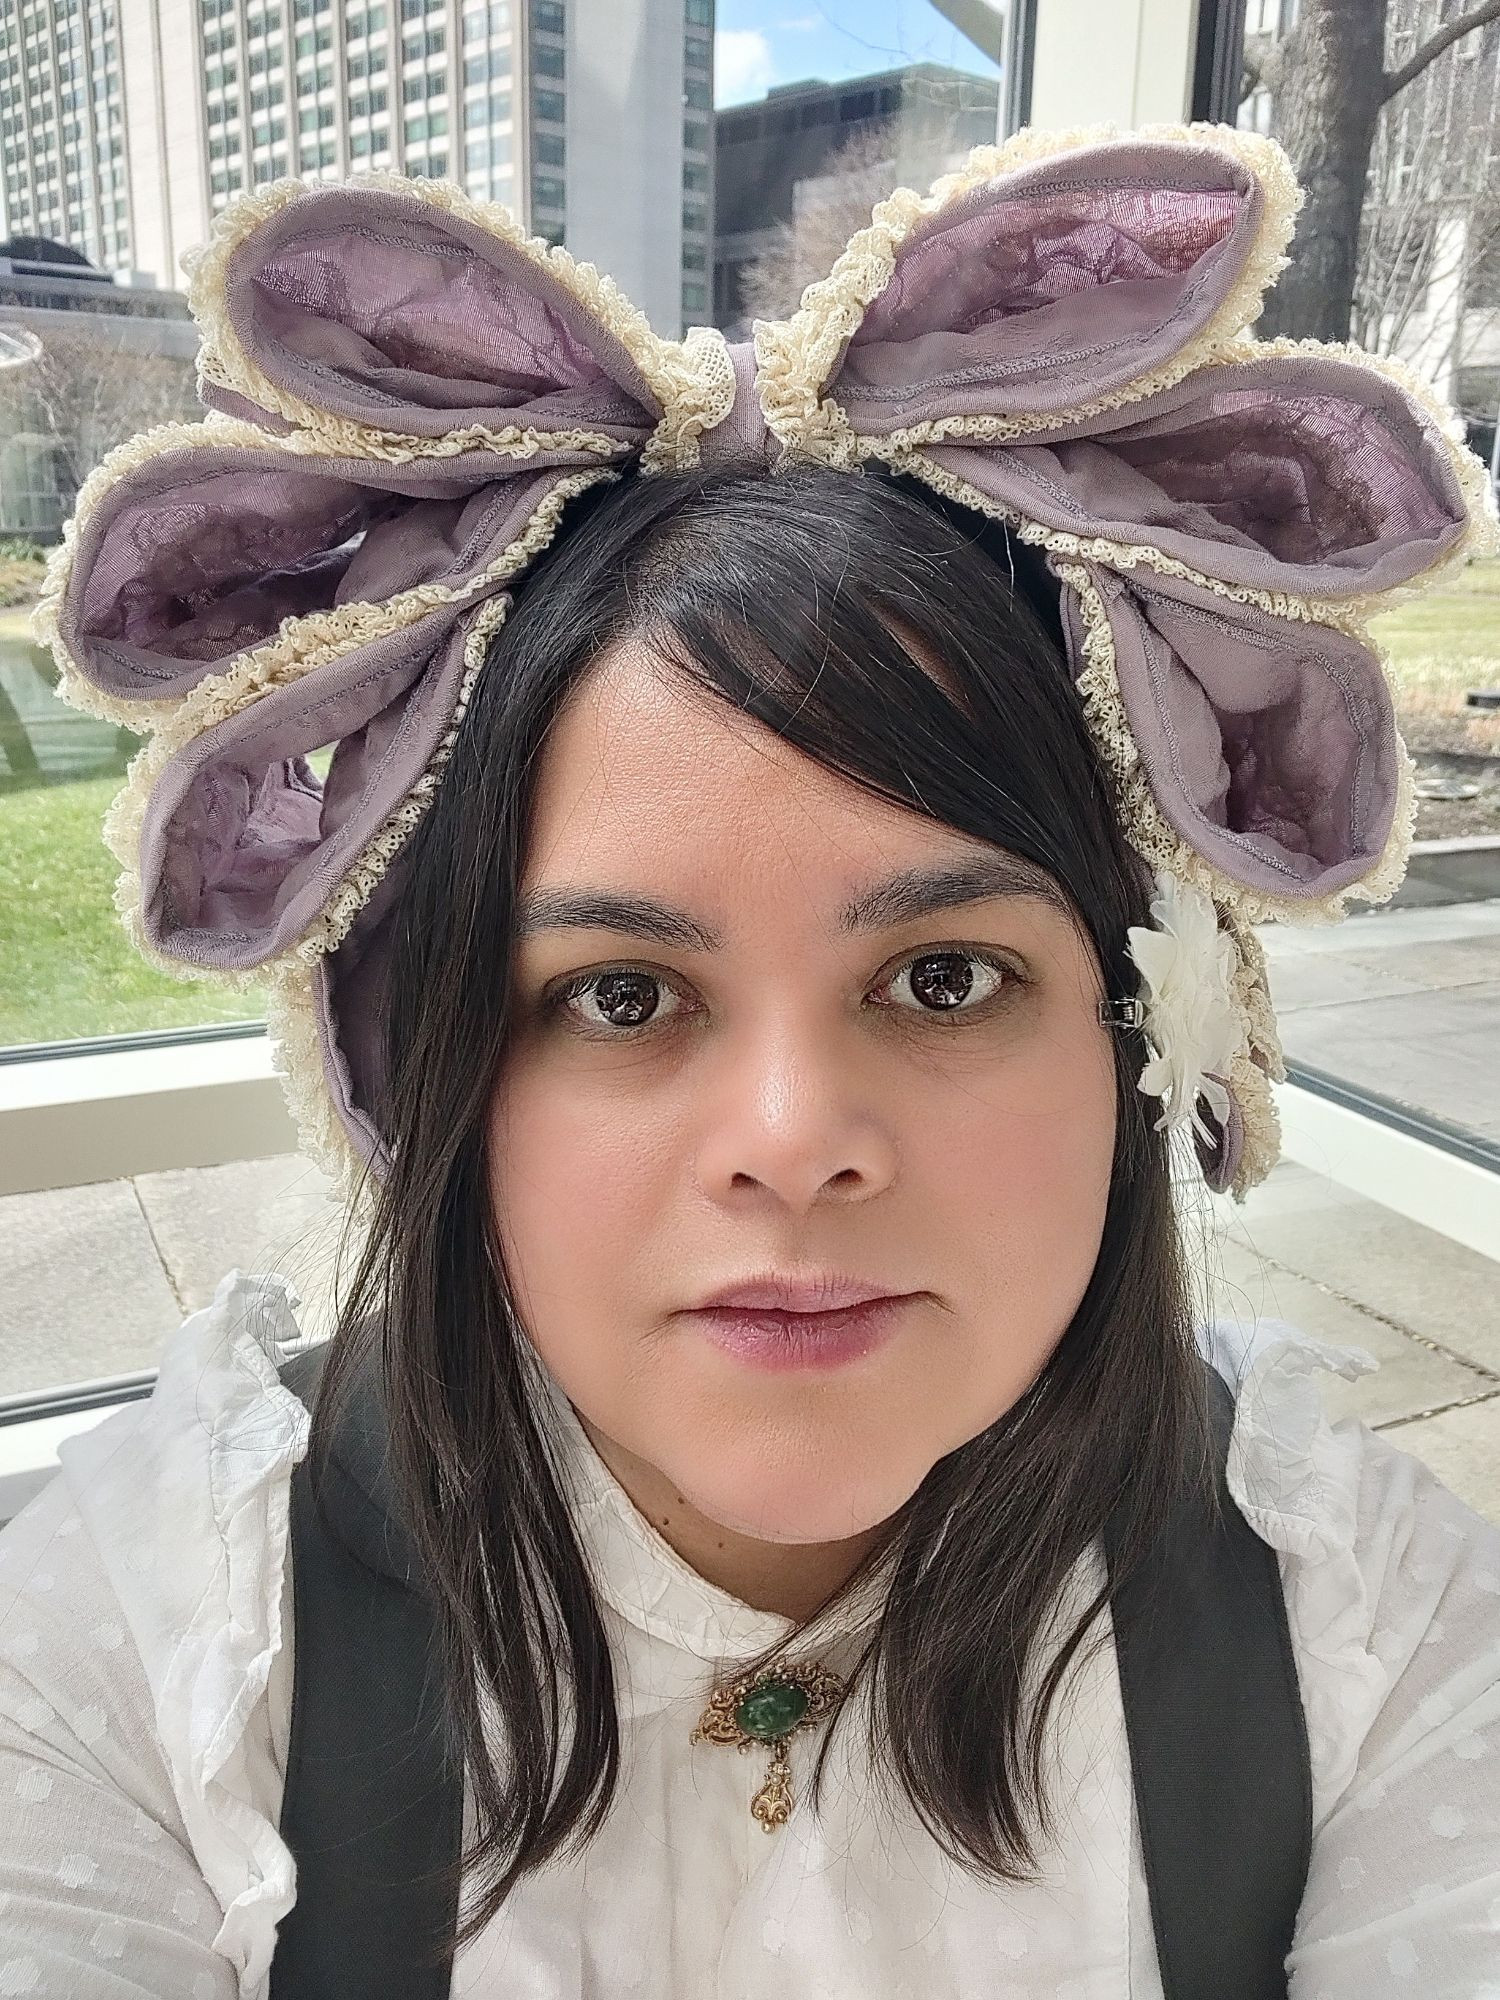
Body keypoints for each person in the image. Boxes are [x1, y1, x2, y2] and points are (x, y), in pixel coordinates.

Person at [2, 121, 1499, 1999]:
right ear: (442, 1074)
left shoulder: (1370, 1623)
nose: (795, 1146)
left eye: (944, 978)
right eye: (621, 998)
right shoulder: (140, 1654)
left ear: (1139, 1034)